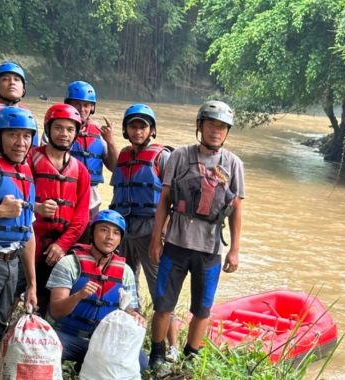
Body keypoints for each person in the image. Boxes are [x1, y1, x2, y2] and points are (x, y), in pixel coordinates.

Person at [148, 100, 244, 366]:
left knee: (202, 308)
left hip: (210, 249)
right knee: (163, 304)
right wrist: (156, 240)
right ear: (200, 126)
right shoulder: (180, 156)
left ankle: (191, 355)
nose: (216, 131)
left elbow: (236, 209)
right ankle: (157, 353)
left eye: (222, 127)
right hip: (176, 244)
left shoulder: (233, 164)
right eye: (212, 124)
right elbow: (165, 200)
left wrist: (235, 250)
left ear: (227, 132)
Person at [108, 104, 180, 359]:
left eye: (142, 126)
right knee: (125, 285)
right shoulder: (125, 155)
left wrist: (161, 236)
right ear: (126, 130)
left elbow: (175, 199)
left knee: (161, 290)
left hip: (151, 231)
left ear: (152, 130)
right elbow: (117, 174)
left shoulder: (163, 157)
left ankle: (172, 346)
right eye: (133, 126)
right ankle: (131, 336)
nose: (137, 131)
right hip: (123, 230)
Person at [46, 209, 147, 372]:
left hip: (105, 341)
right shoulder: (69, 263)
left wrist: (136, 316)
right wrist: (78, 296)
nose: (110, 237)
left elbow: (130, 310)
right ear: (92, 233)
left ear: (120, 239)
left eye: (116, 233)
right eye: (104, 230)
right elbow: (56, 311)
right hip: (67, 336)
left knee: (141, 363)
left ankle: (86, 367)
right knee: (45, 350)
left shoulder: (125, 271)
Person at [0, 107, 38, 379]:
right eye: (13, 135)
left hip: (11, 263)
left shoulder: (25, 175)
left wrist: (32, 283)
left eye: (26, 136)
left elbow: (27, 233)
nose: (20, 142)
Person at [28, 104, 91, 314]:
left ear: (76, 133)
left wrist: (62, 245)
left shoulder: (81, 171)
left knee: (48, 304)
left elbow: (81, 216)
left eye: (70, 129)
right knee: (14, 296)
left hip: (59, 248)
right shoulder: (29, 159)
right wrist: (36, 208)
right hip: (29, 243)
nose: (64, 134)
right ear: (48, 129)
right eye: (59, 128)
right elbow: (16, 198)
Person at [64, 81, 118, 224]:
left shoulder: (99, 133)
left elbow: (114, 168)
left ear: (92, 107)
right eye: (77, 104)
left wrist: (111, 141)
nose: (82, 109)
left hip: (91, 201)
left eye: (86, 105)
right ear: (69, 104)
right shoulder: (56, 129)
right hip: (63, 197)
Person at [0, 62, 39, 150]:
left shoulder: (29, 116)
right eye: (5, 79)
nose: (12, 83)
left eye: (16, 79)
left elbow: (33, 150)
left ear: (23, 89)